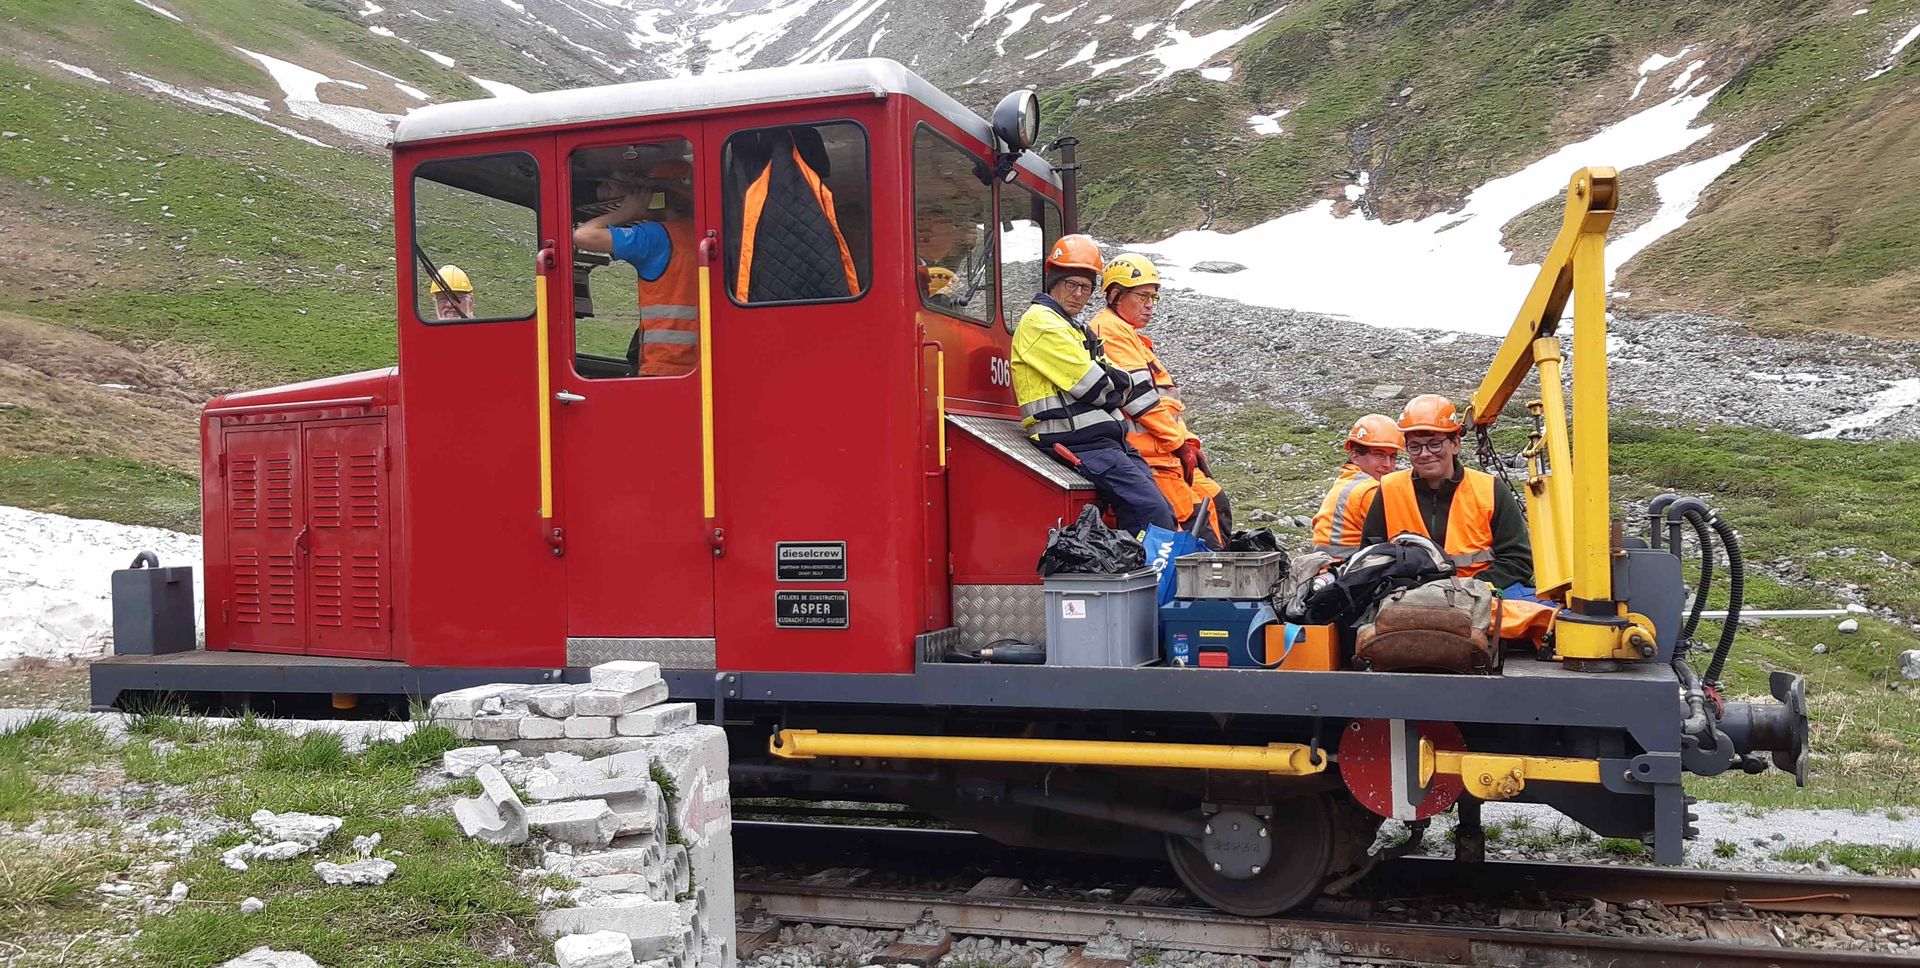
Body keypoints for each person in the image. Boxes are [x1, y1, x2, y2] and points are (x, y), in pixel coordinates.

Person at [1011, 235, 1176, 535]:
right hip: (1078, 442)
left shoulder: (1073, 327)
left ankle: (1139, 571)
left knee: (1161, 509)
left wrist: (1113, 383)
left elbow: (1120, 383)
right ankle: (1147, 578)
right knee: (1151, 511)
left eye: (1085, 287)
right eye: (1070, 284)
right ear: (1054, 282)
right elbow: (1096, 386)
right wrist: (1111, 384)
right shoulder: (1041, 323)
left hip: (1105, 442)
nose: (1077, 294)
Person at [1086, 253, 1231, 548]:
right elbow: (1140, 400)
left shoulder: (1134, 339)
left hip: (1167, 457)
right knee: (1195, 533)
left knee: (1216, 501)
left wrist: (1187, 441)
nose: (1150, 304)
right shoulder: (1109, 332)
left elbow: (1166, 404)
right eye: (1142, 296)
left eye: (1153, 297)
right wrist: (1179, 444)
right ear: (1115, 295)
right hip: (1150, 462)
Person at [1360, 394, 1533, 592]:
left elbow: (1518, 561)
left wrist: (1467, 588)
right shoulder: (1390, 489)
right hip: (1409, 601)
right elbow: (1370, 556)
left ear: (1455, 444)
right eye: (1415, 447)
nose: (1425, 453)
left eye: (1434, 444)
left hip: (1480, 599)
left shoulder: (1490, 489)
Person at [572, 159, 699, 377]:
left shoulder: (657, 235)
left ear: (659, 197)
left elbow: (584, 236)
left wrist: (627, 212)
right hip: (701, 364)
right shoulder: (704, 234)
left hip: (664, 366)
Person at [1311, 414, 1402, 559]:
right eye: (1379, 455)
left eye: (1393, 457)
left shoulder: (1344, 482)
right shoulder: (1369, 490)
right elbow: (1401, 537)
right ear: (1355, 457)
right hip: (1348, 571)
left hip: (1325, 567)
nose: (1388, 465)